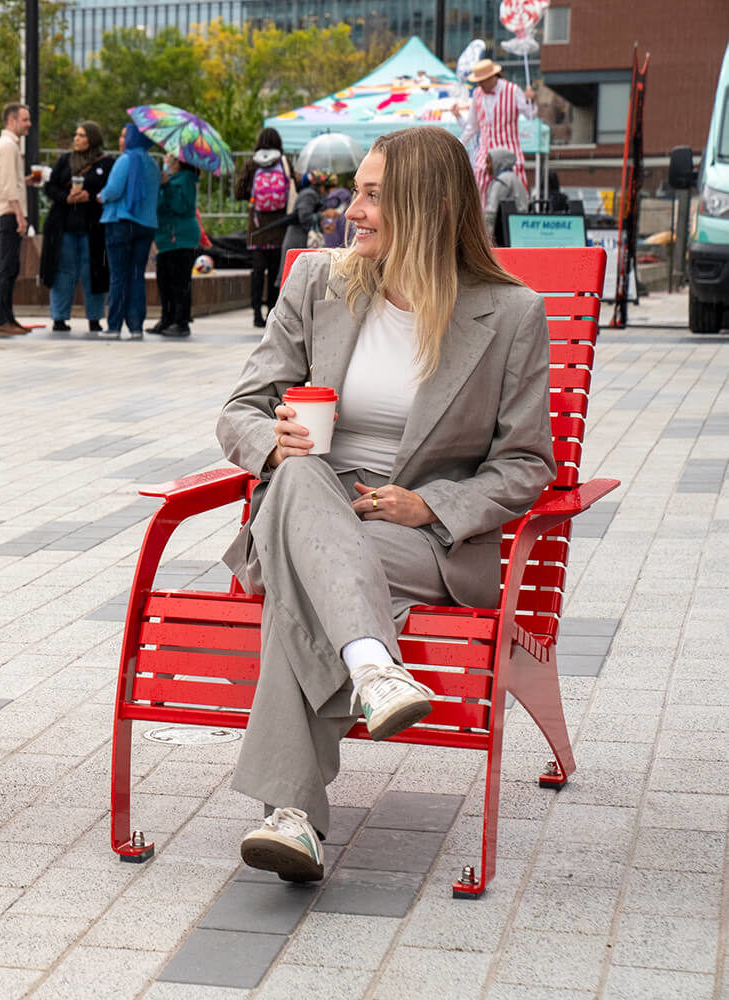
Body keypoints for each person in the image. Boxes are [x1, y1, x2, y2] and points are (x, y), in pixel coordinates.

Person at [215, 125, 555, 882]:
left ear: (429, 206)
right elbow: (240, 408)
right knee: (300, 479)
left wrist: (431, 508)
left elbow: (528, 464)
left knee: (304, 585)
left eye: (372, 196)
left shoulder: (509, 314)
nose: (351, 211)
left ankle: (292, 816)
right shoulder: (318, 283)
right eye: (355, 193)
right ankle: (374, 669)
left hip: (416, 537)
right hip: (309, 502)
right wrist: (274, 444)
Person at [40, 120, 112, 334]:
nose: (77, 139)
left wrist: (89, 196)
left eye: (82, 135)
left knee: (93, 273)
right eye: (76, 135)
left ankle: (95, 318)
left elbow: (110, 189)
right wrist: (66, 198)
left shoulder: (106, 163)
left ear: (92, 139)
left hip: (93, 227)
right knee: (63, 272)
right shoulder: (65, 161)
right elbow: (50, 187)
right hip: (64, 227)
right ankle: (59, 318)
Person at [96, 123, 160, 339]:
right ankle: (136, 327)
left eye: (125, 136)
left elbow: (113, 190)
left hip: (121, 223)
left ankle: (114, 326)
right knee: (136, 276)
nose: (121, 140)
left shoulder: (125, 160)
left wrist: (100, 196)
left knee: (118, 276)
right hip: (146, 226)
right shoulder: (152, 164)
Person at [234, 128, 296, 327]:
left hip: (257, 228)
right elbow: (294, 188)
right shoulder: (284, 163)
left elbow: (239, 192)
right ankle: (271, 310)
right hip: (279, 227)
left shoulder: (252, 164)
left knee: (258, 271)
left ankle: (255, 313)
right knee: (275, 271)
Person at [0, 101, 39, 338]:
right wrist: (20, 215)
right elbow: (9, 186)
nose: (29, 124)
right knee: (7, 268)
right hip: (8, 213)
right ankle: (1, 319)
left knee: (10, 267)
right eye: (25, 119)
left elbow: (10, 181)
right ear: (12, 120)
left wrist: (26, 181)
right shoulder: (8, 146)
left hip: (6, 211)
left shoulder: (7, 145)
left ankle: (7, 318)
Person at [461, 59, 536, 198]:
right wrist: (459, 144)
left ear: (492, 77)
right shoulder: (477, 94)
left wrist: (530, 100)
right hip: (485, 155)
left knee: (516, 193)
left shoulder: (513, 90)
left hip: (509, 153)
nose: (479, 84)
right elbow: (472, 126)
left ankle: (516, 218)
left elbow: (530, 115)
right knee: (480, 190)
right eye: (478, 81)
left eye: (482, 80)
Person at [151, 153, 200, 338]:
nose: (166, 159)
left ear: (179, 161)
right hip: (166, 238)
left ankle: (181, 322)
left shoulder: (185, 179)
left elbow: (181, 206)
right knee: (164, 281)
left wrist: (166, 185)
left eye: (170, 156)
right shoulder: (172, 178)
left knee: (179, 282)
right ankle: (167, 319)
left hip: (180, 238)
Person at [281, 169, 338, 273]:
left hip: (303, 242)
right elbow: (305, 218)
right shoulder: (309, 195)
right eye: (330, 187)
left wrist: (323, 228)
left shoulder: (315, 196)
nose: (332, 191)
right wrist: (324, 214)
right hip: (298, 242)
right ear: (322, 186)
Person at [484, 147, 528, 245]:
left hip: (503, 237)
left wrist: (487, 241)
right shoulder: (514, 178)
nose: (486, 167)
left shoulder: (501, 181)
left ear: (498, 162)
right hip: (517, 233)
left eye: (488, 162)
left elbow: (491, 213)